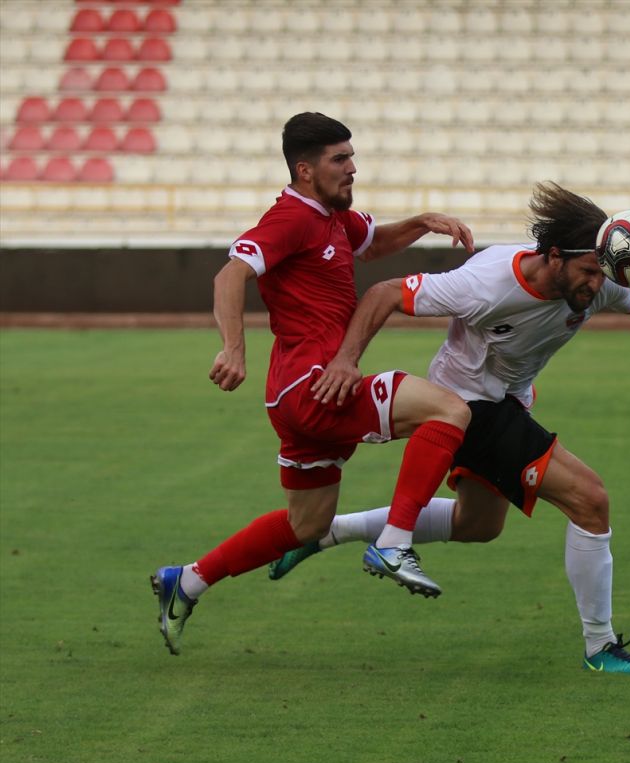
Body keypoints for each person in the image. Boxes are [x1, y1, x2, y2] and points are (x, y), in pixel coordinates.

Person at [270, 182, 630, 675]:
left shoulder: (595, 277)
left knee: (479, 525)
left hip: (507, 403)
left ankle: (325, 535)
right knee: (590, 499)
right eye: (588, 274)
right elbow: (385, 293)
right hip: (466, 406)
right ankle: (600, 646)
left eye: (602, 275)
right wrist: (345, 361)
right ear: (554, 257)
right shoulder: (488, 283)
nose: (597, 287)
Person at [150, 112, 476, 655]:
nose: (353, 168)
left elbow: (372, 241)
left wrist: (424, 221)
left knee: (308, 523)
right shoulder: (291, 218)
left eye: (352, 156)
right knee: (449, 410)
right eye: (340, 160)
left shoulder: (332, 218)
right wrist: (234, 348)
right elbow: (230, 274)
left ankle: (184, 582)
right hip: (318, 386)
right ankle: (394, 543)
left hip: (294, 397)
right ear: (305, 170)